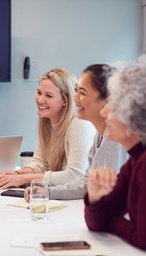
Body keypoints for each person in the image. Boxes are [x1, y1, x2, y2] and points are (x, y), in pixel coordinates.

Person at [84, 57, 146, 253]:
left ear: (138, 117)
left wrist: (112, 222)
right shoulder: (139, 158)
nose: (104, 112)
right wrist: (95, 198)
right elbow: (97, 223)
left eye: (114, 107)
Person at [24, 64, 128, 200]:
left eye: (82, 93)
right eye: (76, 91)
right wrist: (48, 192)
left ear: (105, 101)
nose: (74, 98)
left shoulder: (115, 138)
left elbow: (113, 196)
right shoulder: (100, 134)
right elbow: (86, 183)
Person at [0, 68, 96, 189]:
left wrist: (22, 179)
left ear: (65, 101)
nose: (40, 100)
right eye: (39, 93)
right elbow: (40, 163)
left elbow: (76, 175)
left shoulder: (80, 124)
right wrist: (15, 174)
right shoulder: (46, 121)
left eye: (49, 96)